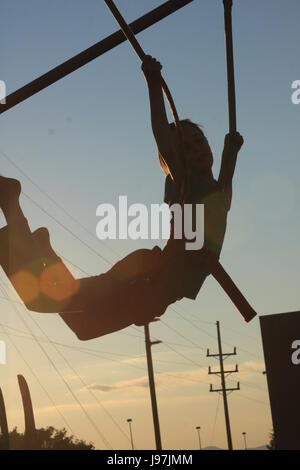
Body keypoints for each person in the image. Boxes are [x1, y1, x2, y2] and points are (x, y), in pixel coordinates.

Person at [141, 55, 244, 301]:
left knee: (85, 325)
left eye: (198, 141)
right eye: (185, 148)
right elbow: (161, 132)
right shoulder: (185, 183)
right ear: (176, 160)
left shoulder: (218, 195)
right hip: (155, 278)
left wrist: (230, 152)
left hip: (168, 287)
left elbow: (225, 183)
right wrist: (153, 83)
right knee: (84, 323)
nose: (196, 149)